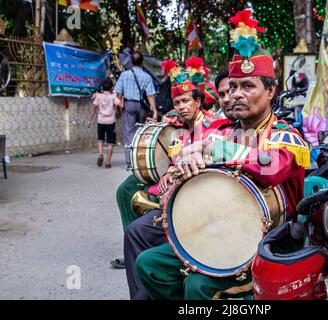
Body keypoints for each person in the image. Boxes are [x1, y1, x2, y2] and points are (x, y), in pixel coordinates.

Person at [134, 10, 311, 300]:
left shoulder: (286, 137)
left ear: (270, 92)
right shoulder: (223, 134)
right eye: (234, 87)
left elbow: (271, 168)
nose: (237, 94)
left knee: (198, 287)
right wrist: (182, 176)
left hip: (266, 246)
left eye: (248, 86)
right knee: (149, 265)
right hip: (217, 230)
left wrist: (215, 149)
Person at [122, 59, 226, 300]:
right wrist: (169, 175)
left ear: (198, 102)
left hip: (200, 206)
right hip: (177, 202)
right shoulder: (178, 131)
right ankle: (141, 295)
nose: (180, 107)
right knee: (134, 232)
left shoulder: (216, 128)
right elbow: (173, 162)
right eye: (177, 102)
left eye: (185, 101)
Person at [115, 52, 158, 164]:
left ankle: (130, 161)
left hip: (128, 105)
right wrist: (154, 110)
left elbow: (118, 94)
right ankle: (140, 159)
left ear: (131, 62)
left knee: (129, 133)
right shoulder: (147, 76)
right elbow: (150, 95)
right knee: (141, 132)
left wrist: (118, 108)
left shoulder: (124, 75)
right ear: (142, 63)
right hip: (142, 107)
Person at [87, 78, 122, 168]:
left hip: (101, 121)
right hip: (110, 122)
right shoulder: (113, 97)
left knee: (100, 139)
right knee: (110, 142)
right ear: (111, 88)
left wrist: (90, 120)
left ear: (102, 87)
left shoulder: (98, 96)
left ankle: (100, 154)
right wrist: (118, 97)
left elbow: (94, 109)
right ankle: (107, 162)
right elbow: (121, 105)